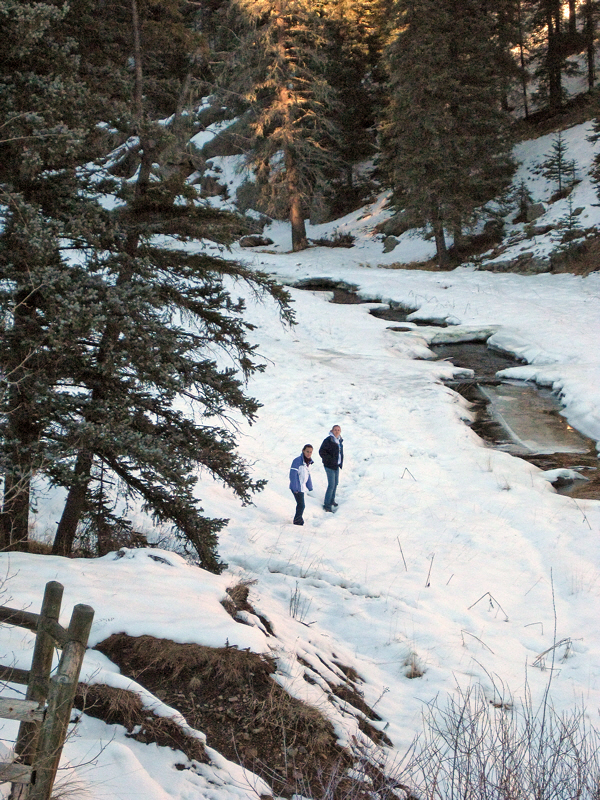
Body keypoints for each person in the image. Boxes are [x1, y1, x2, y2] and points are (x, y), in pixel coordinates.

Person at [319, 425, 343, 512]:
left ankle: (331, 500)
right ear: (332, 431)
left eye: (338, 430)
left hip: (336, 465)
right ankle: (327, 505)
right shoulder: (328, 440)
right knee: (331, 484)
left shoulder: (339, 440)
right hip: (329, 466)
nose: (337, 431)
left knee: (336, 483)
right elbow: (322, 451)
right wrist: (329, 460)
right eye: (335, 430)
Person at [289, 445, 314, 525]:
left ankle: (299, 519)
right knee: (301, 505)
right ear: (303, 451)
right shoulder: (297, 461)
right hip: (296, 487)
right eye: (307, 451)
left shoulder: (307, 462)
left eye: (310, 452)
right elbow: (293, 474)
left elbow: (307, 475)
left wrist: (309, 486)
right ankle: (297, 521)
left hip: (301, 487)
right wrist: (295, 487)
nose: (309, 453)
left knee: (301, 505)